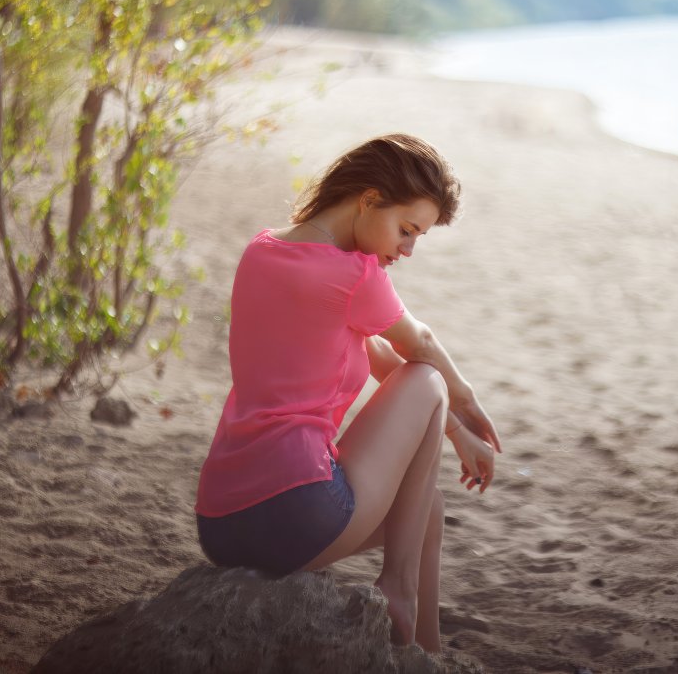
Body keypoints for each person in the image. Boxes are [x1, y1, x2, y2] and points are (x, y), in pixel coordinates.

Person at [195, 133, 502, 654]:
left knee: (426, 510)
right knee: (430, 378)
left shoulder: (262, 249)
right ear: (368, 198)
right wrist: (468, 403)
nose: (406, 250)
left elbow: (381, 359)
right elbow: (419, 349)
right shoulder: (353, 274)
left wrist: (456, 434)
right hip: (297, 507)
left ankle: (424, 655)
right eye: (406, 230)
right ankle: (398, 589)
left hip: (221, 523)